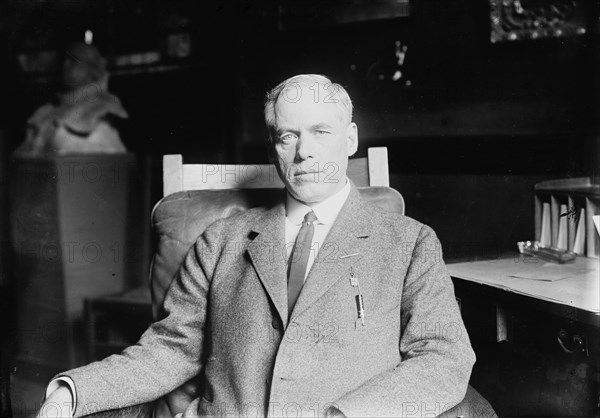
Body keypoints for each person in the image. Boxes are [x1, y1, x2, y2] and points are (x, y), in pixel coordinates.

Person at [37, 74, 475, 418]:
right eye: (288, 136)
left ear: (351, 138)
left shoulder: (409, 242)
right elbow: (170, 348)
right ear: (273, 149)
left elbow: (443, 356)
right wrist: (71, 392)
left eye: (321, 131)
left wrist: (348, 415)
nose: (304, 152)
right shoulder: (221, 239)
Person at [13, 42, 127, 158]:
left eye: (74, 60)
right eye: (66, 59)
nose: (66, 65)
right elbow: (22, 158)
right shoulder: (45, 112)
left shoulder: (108, 107)